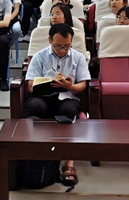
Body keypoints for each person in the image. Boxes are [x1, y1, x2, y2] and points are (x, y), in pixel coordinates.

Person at [23, 24, 91, 187]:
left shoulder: (78, 57)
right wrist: (46, 83)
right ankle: (32, 156)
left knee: (69, 110)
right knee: (34, 107)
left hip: (67, 97)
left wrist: (69, 86)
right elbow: (30, 85)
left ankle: (69, 164)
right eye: (58, 46)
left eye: (67, 46)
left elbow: (83, 84)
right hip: (43, 97)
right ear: (50, 40)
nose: (63, 50)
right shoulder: (39, 56)